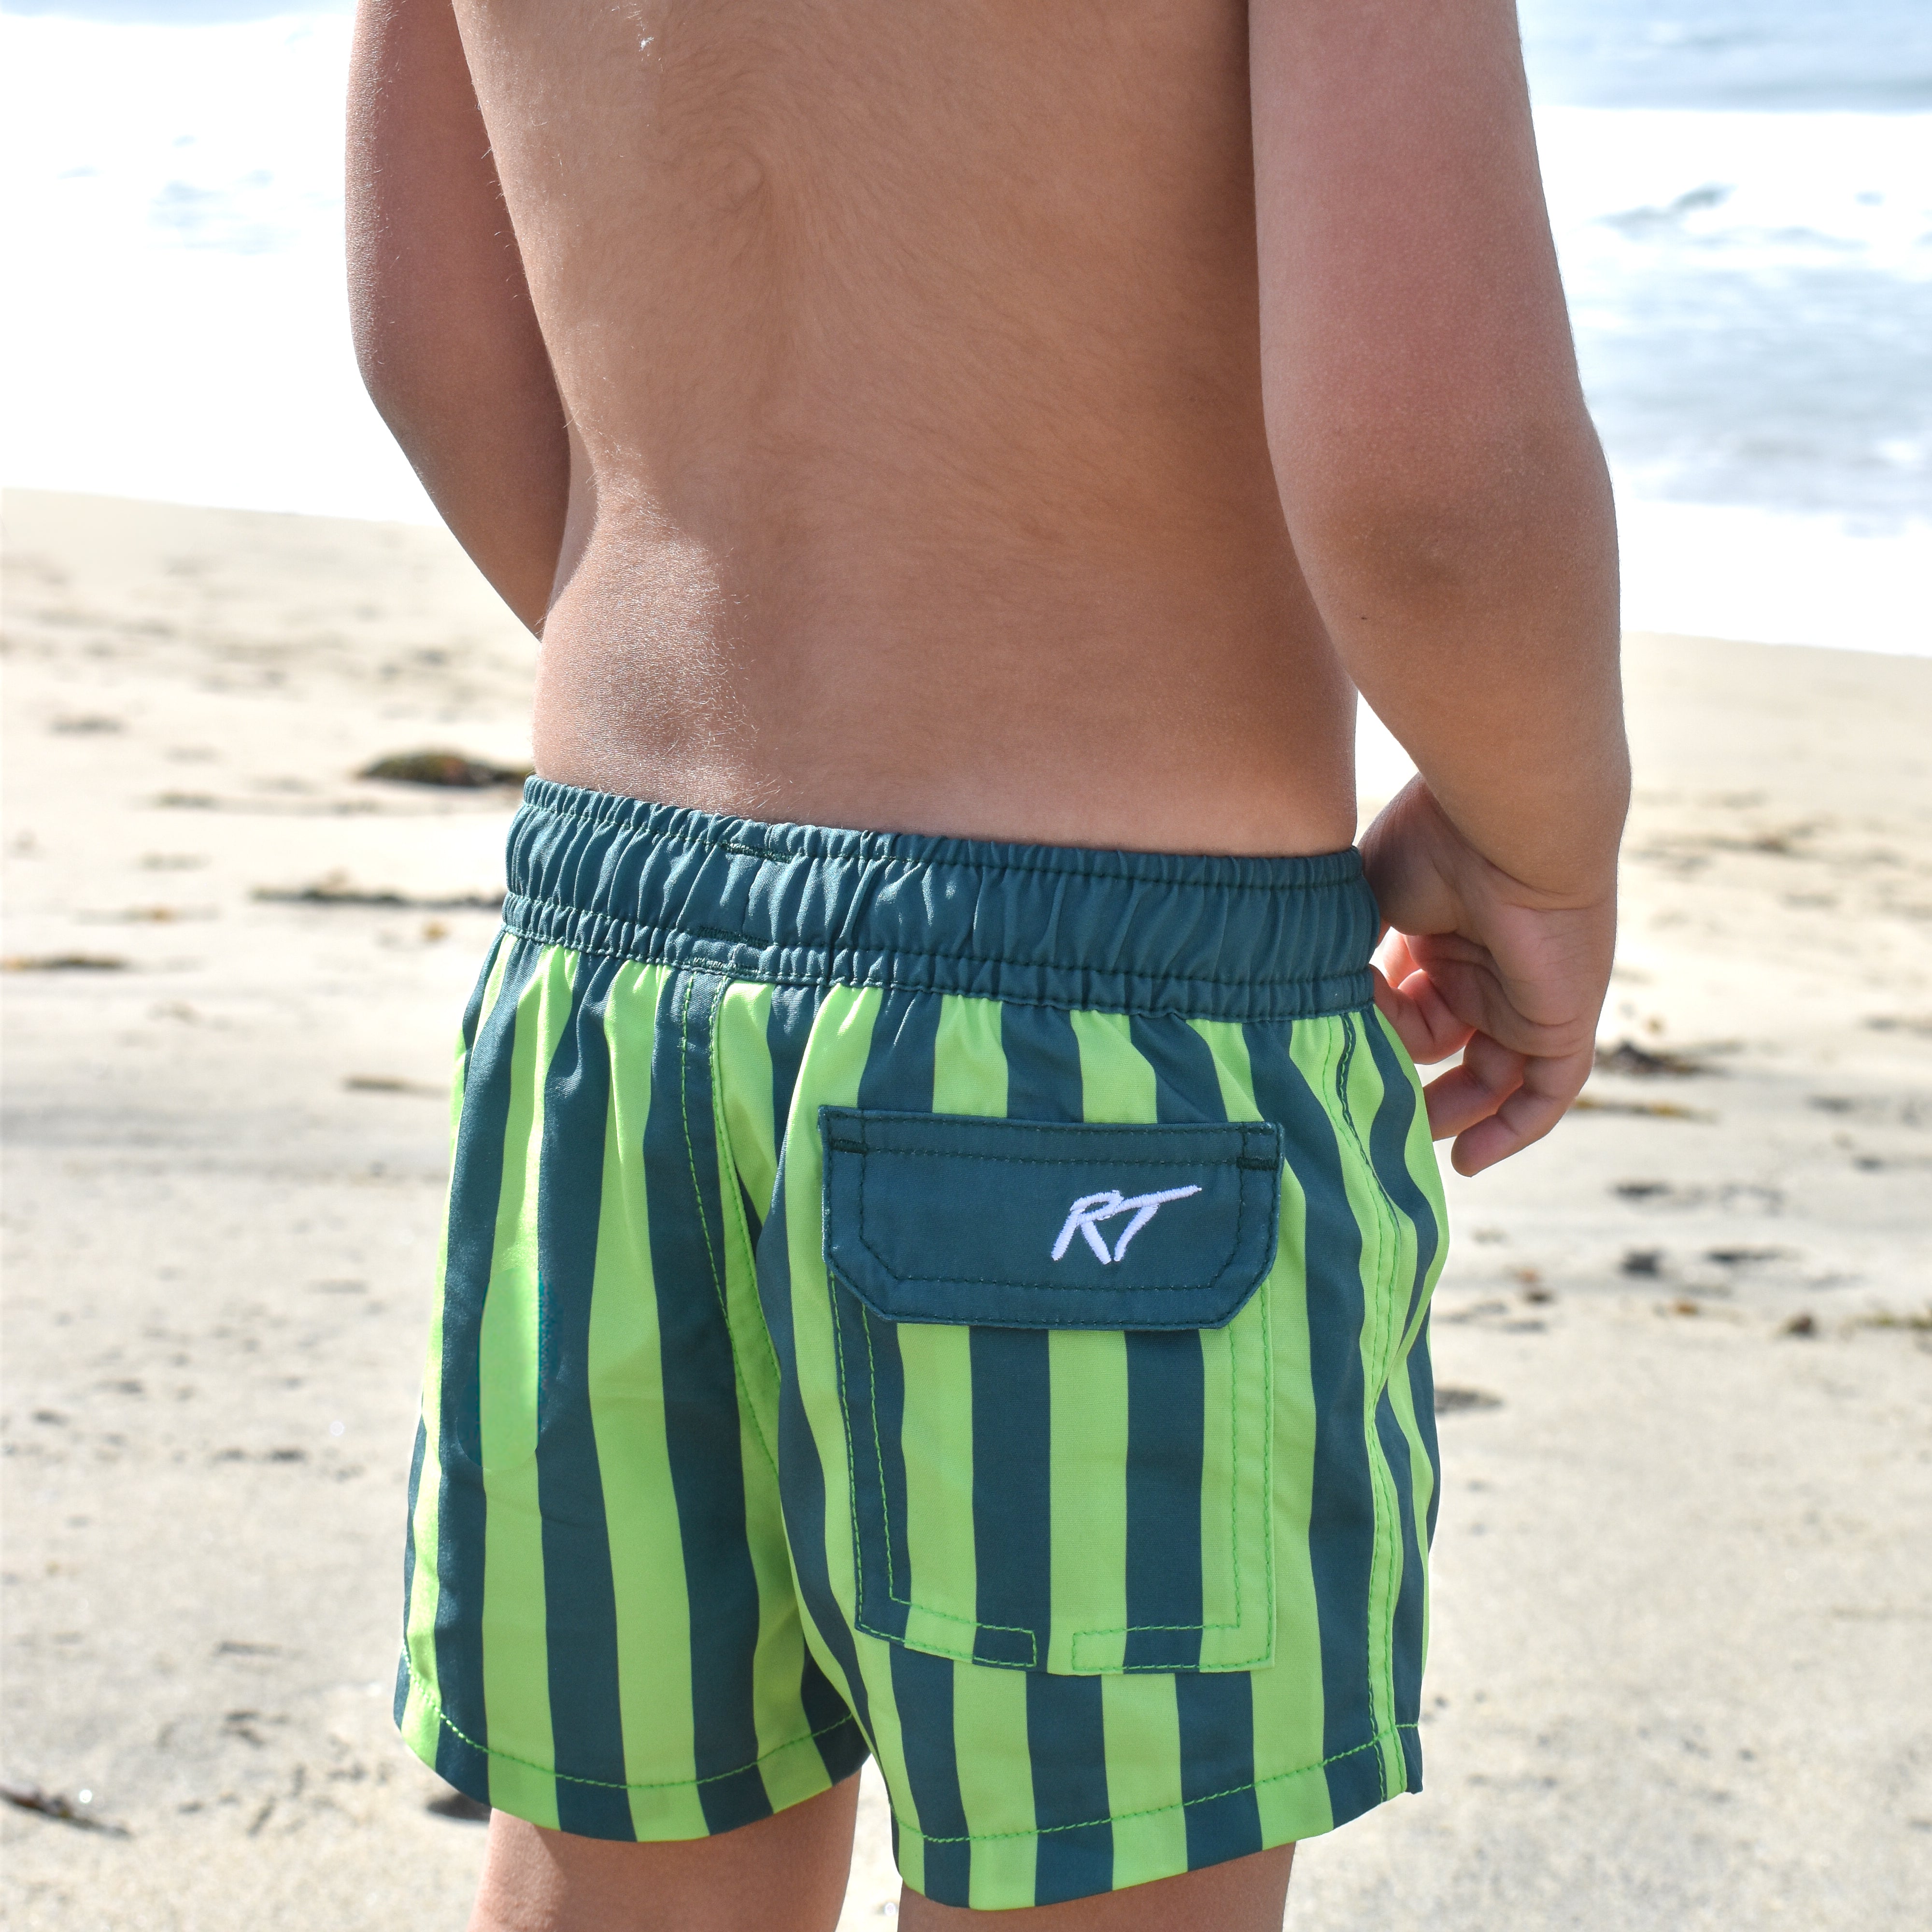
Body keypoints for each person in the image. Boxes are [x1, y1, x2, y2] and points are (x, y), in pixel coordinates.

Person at [347, 0, 1626, 1925]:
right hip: (1093, 1048)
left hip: (613, 990)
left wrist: (731, 683)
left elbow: (431, 336)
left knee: (627, 1862)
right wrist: (1538, 837)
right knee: (1095, 1871)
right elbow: (1435, 474)